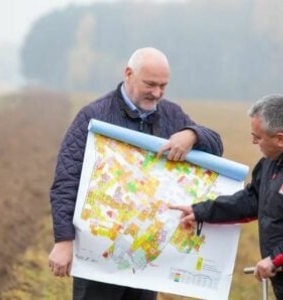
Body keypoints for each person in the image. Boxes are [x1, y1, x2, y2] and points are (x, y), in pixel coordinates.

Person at [48, 47, 223, 300]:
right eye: (150, 84)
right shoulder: (93, 116)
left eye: (163, 86)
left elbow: (216, 146)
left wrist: (192, 134)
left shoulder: (172, 115)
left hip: (145, 257)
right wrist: (63, 240)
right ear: (128, 74)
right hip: (99, 253)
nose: (157, 93)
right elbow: (67, 179)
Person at [170, 94, 283, 300]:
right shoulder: (273, 160)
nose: (253, 142)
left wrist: (277, 260)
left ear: (280, 138)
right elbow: (253, 200)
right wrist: (201, 211)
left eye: (258, 137)